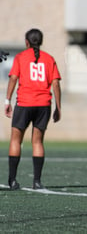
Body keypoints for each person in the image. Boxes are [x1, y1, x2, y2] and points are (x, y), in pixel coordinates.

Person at [5, 28, 62, 190]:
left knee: (16, 140)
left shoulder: (20, 57)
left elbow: (14, 78)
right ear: (41, 42)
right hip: (43, 105)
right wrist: (58, 107)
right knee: (37, 142)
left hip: (24, 103)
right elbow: (56, 83)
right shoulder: (49, 59)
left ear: (26, 42)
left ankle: (12, 181)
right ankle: (37, 182)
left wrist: (7, 100)